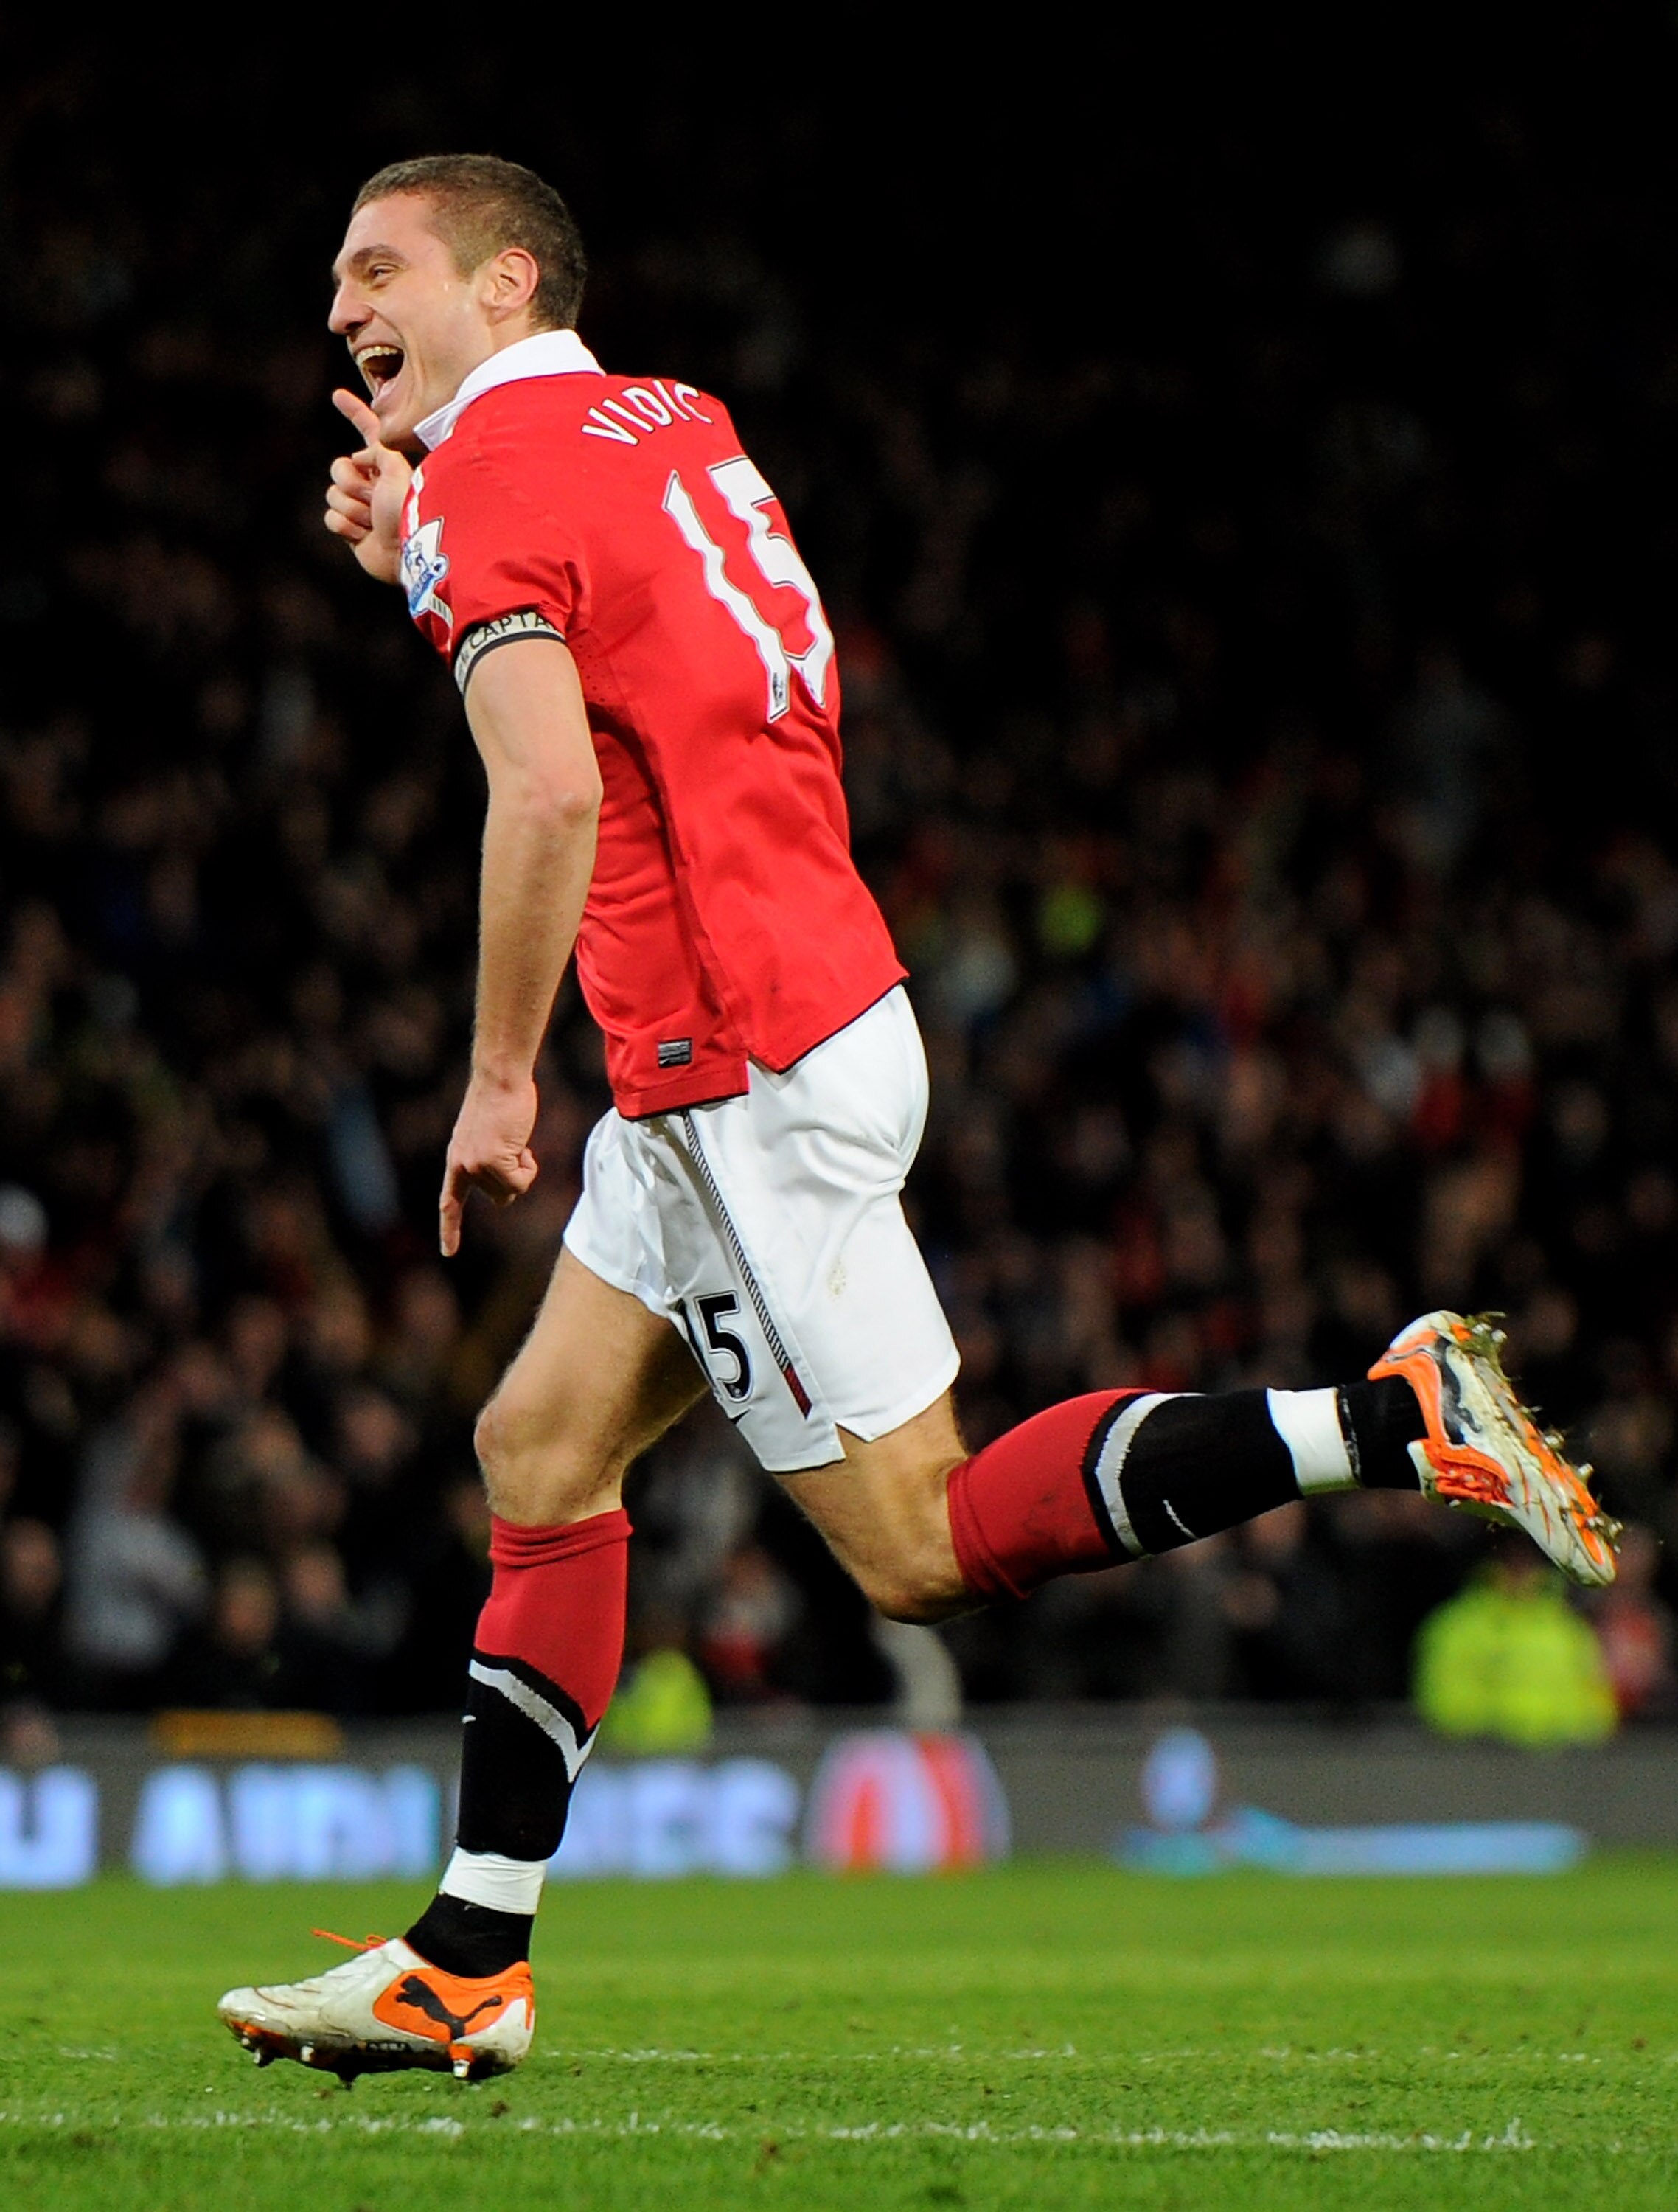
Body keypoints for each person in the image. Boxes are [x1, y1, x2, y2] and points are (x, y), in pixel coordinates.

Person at [217, 155, 1620, 2084]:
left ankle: (1381, 1418)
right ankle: (468, 1956)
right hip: (800, 996)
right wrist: (421, 549)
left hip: (729, 1058)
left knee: (916, 1551)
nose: (340, 307)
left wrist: (495, 1073)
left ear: (507, 279)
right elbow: (644, 659)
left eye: (379, 267)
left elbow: (545, 791)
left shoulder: (490, 485)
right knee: (537, 1447)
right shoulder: (667, 420)